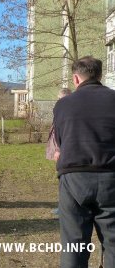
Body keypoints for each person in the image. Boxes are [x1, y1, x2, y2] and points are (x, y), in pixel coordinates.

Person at [53, 56, 115, 267]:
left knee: (74, 246)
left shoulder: (63, 105)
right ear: (99, 75)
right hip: (111, 177)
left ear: (76, 79)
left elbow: (60, 141)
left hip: (73, 178)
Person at [46, 88, 72, 216]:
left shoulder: (67, 111)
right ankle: (63, 207)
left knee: (65, 180)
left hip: (63, 152)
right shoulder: (62, 110)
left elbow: (63, 133)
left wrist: (58, 149)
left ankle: (64, 209)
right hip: (59, 151)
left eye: (59, 98)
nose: (58, 100)